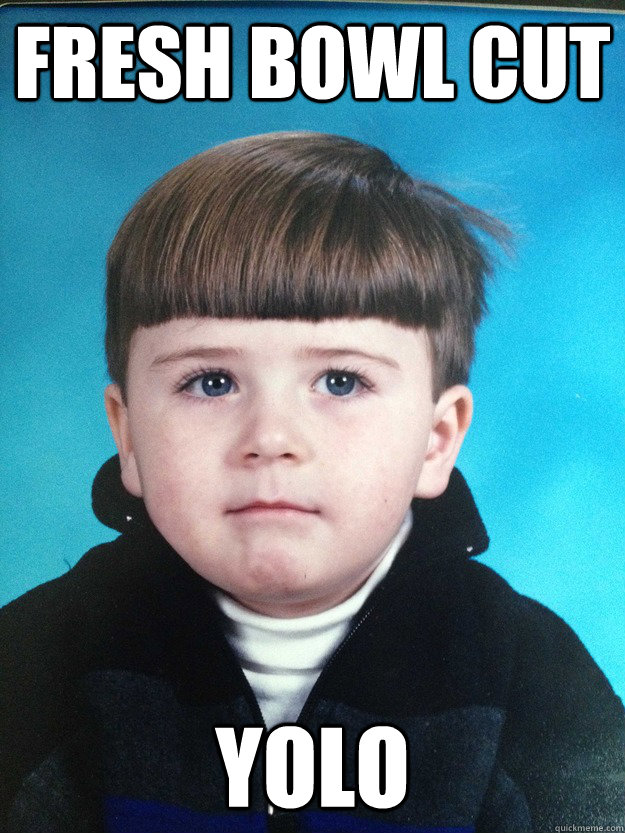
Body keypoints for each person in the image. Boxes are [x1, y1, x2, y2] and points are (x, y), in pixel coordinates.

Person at [1, 132, 623, 833]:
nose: (271, 438)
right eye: (210, 381)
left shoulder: (529, 678)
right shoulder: (36, 661)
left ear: (435, 439)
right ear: (128, 435)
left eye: (339, 380)